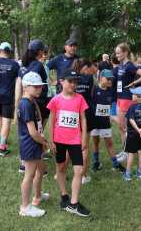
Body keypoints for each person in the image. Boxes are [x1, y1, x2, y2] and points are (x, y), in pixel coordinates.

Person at [47, 69, 90, 217]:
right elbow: (52, 121)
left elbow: (83, 118)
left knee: (78, 170)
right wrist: (51, 140)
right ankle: (64, 194)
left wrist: (84, 136)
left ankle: (73, 203)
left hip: (75, 140)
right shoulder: (55, 100)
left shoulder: (80, 99)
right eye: (70, 81)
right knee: (60, 168)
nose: (73, 84)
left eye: (75, 81)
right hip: (59, 140)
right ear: (61, 82)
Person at [15, 39, 49, 173]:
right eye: (43, 50)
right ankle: (31, 164)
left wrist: (17, 104)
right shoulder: (38, 66)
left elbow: (19, 86)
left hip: (25, 101)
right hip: (37, 102)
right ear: (40, 51)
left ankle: (27, 163)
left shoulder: (22, 66)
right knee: (36, 132)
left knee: (25, 132)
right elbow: (43, 83)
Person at [18, 72, 49, 217]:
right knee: (29, 175)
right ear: (26, 86)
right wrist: (45, 142)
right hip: (30, 144)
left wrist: (41, 140)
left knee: (41, 169)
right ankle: (25, 207)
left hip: (35, 143)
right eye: (35, 87)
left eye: (40, 87)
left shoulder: (31, 101)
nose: (39, 89)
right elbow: (32, 132)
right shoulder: (25, 104)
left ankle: (37, 196)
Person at [113, 43, 141, 157]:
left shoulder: (129, 65)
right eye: (116, 53)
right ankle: (126, 150)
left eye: (119, 53)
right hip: (120, 97)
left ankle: (127, 151)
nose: (117, 55)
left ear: (125, 53)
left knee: (123, 126)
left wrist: (133, 83)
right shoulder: (121, 65)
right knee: (121, 126)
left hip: (126, 98)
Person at [90, 69, 125, 172]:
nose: (110, 81)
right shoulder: (94, 90)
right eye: (108, 79)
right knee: (95, 142)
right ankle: (96, 162)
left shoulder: (111, 91)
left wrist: (115, 117)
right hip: (94, 122)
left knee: (109, 143)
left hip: (105, 122)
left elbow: (113, 107)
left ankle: (115, 164)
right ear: (101, 78)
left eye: (111, 79)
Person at [72, 58, 95, 184]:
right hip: (87, 112)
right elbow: (91, 94)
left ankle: (60, 172)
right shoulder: (89, 78)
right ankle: (83, 176)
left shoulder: (70, 78)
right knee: (84, 147)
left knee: (69, 144)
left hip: (73, 112)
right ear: (84, 67)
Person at [123, 86, 141, 181]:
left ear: (140, 97)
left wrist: (138, 130)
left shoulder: (132, 107)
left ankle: (128, 174)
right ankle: (140, 172)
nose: (132, 95)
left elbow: (131, 119)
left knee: (131, 154)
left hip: (132, 134)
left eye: (134, 94)